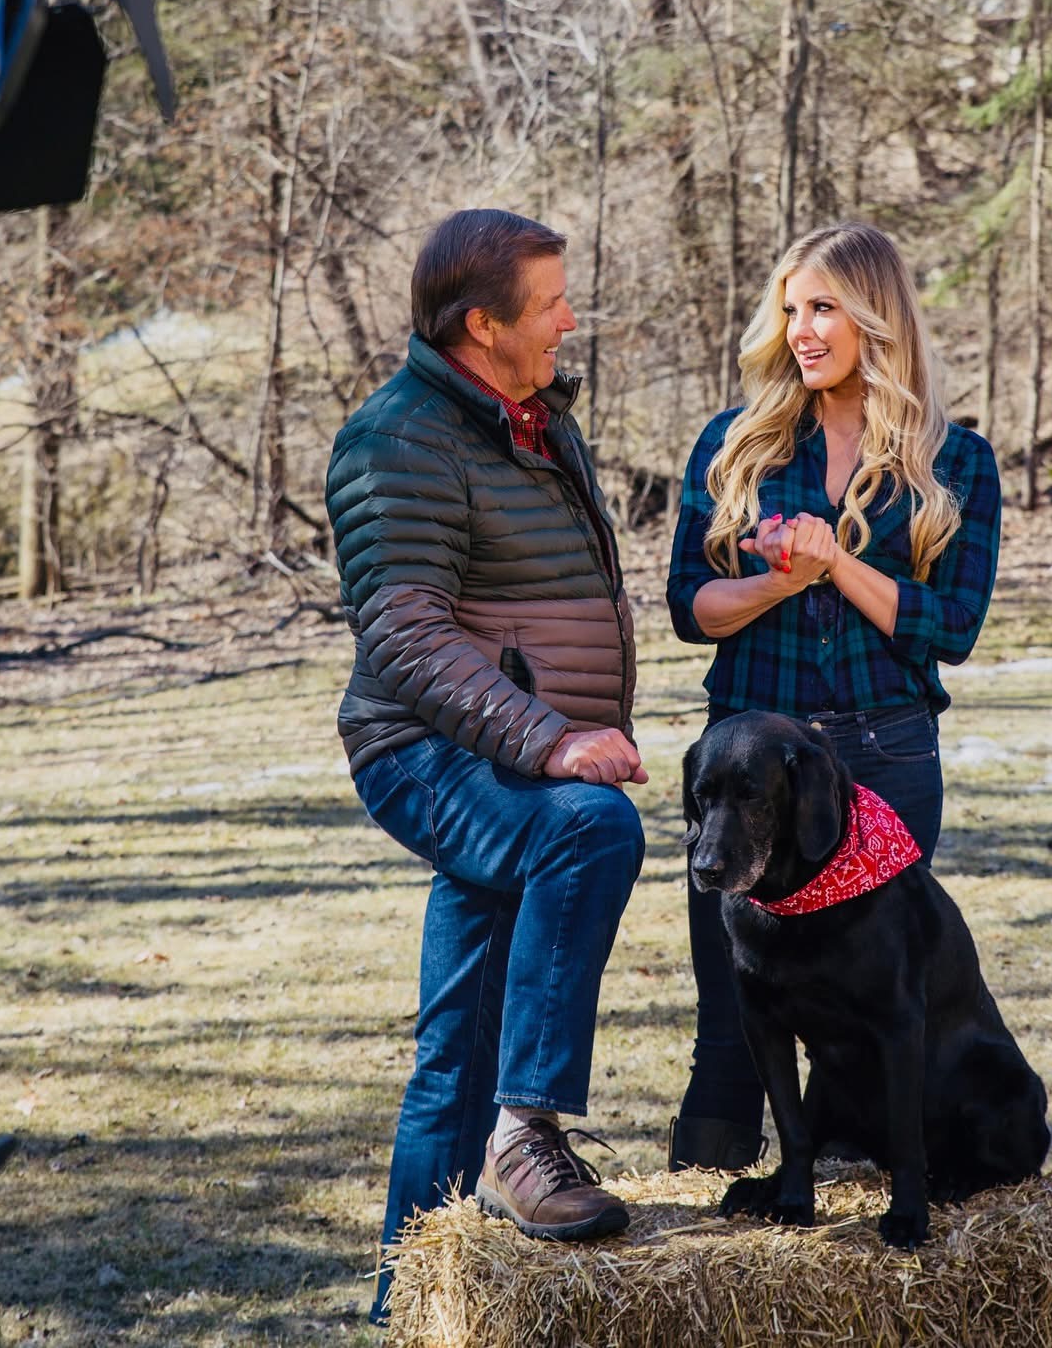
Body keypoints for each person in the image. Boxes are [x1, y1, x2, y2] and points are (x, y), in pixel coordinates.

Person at [325, 208, 646, 1324]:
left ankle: (409, 1311)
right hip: (431, 748)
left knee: (452, 1049)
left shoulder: (540, 421)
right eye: (550, 302)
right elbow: (406, 635)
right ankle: (529, 1129)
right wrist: (554, 741)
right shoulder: (397, 437)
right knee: (590, 829)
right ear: (482, 323)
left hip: (504, 753)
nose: (568, 318)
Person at [664, 221, 1002, 1173]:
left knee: (867, 1006)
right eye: (791, 310)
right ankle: (701, 1219)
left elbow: (952, 628)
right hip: (743, 769)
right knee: (734, 1008)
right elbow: (691, 608)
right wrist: (776, 581)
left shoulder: (958, 463)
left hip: (887, 765)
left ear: (874, 317)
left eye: (824, 309)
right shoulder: (734, 446)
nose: (802, 330)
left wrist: (834, 563)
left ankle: (841, 1184)